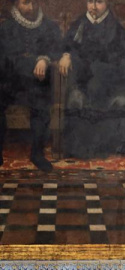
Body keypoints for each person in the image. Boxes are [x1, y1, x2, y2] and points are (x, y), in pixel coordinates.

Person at [58, 0, 125, 159]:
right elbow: (67, 45)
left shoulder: (114, 26)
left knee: (99, 91)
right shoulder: (80, 23)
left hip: (108, 77)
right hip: (83, 77)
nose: (94, 7)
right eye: (90, 2)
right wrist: (66, 55)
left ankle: (105, 148)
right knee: (78, 96)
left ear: (107, 4)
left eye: (99, 2)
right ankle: (79, 148)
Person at [0, 0, 62, 172]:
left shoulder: (49, 26)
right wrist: (31, 62)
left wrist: (44, 59)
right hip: (10, 82)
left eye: (34, 2)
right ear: (16, 4)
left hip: (37, 82)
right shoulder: (6, 28)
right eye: (26, 3)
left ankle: (37, 153)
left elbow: (57, 48)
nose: (31, 7)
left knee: (41, 104)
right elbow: (5, 59)